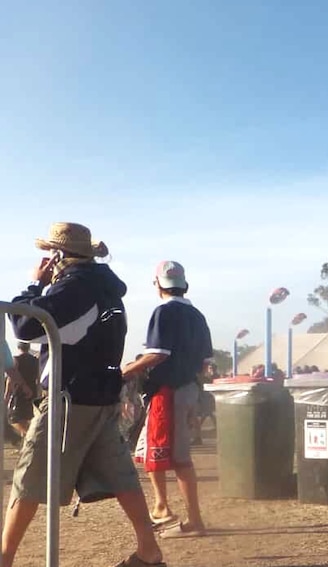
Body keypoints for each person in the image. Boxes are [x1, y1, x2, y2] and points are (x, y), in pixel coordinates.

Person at [2, 222, 165, 567]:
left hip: (70, 397)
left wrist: (35, 284)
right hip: (100, 395)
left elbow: (24, 326)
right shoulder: (105, 287)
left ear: (58, 255)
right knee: (119, 474)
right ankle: (149, 550)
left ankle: (4, 556)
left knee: (30, 475)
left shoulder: (75, 287)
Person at [123, 261, 212, 538]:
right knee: (158, 449)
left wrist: (125, 371)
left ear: (158, 284)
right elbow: (205, 363)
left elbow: (158, 354)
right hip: (187, 388)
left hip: (168, 391)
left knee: (173, 455)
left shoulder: (163, 311)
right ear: (184, 285)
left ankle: (191, 520)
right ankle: (162, 506)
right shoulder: (197, 316)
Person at [6, 342, 37, 442]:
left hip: (19, 392)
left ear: (18, 347)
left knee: (14, 418)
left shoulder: (16, 359)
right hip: (33, 391)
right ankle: (26, 438)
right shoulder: (35, 360)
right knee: (28, 418)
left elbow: (11, 379)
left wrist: (7, 394)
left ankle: (28, 438)